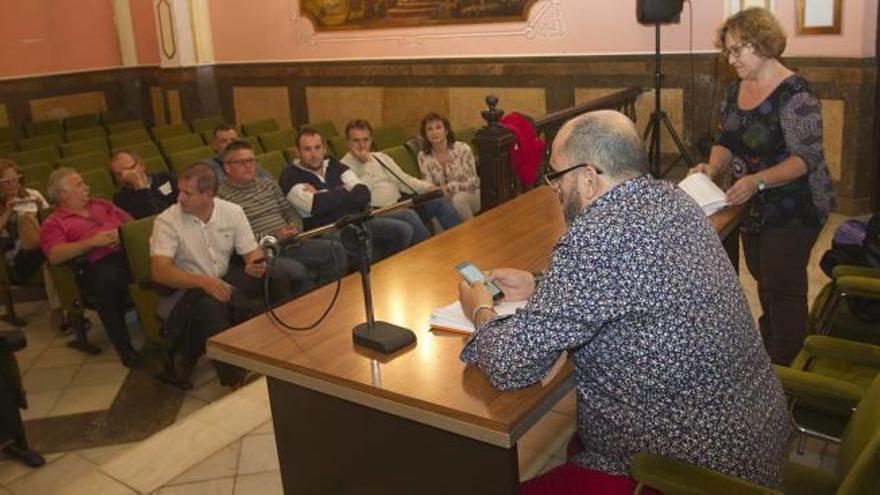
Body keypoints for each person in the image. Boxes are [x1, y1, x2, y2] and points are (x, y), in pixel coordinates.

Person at [459, 111, 789, 492]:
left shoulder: (598, 236)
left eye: (557, 176)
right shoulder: (673, 200)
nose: (555, 189)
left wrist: (481, 308)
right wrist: (538, 284)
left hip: (693, 471)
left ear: (587, 178)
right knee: (576, 440)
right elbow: (631, 283)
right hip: (751, 438)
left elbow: (512, 365)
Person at [692, 7, 835, 365]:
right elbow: (725, 139)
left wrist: (757, 180)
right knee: (763, 277)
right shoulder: (733, 90)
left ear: (763, 44)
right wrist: (711, 168)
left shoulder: (796, 94)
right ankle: (771, 348)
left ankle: (789, 365)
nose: (730, 58)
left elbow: (805, 159)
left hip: (796, 204)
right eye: (727, 50)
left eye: (737, 50)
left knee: (781, 285)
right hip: (751, 201)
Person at [150, 163, 295, 388]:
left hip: (221, 278)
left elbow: (251, 252)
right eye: (180, 191)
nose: (180, 198)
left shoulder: (231, 211)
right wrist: (203, 282)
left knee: (275, 277)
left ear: (208, 195)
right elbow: (159, 271)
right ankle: (234, 377)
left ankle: (282, 347)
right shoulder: (167, 221)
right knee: (212, 303)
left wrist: (255, 264)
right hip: (186, 291)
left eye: (187, 193)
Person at [39, 168, 142, 368]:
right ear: (62, 194)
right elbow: (55, 254)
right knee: (106, 280)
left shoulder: (101, 204)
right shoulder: (54, 222)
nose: (86, 187)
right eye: (79, 184)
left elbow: (132, 223)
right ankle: (124, 346)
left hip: (127, 252)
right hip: (94, 265)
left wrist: (121, 233)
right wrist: (92, 243)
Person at [218, 140, 345, 288]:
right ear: (227, 167)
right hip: (264, 252)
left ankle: (330, 299)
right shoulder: (221, 197)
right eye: (241, 162)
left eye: (251, 160)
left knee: (336, 250)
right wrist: (274, 236)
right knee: (296, 271)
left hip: (291, 241)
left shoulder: (268, 184)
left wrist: (294, 227)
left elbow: (289, 211)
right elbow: (236, 239)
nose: (248, 165)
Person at [279, 128, 414, 261]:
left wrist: (322, 193)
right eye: (307, 149)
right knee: (360, 243)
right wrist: (344, 190)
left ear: (324, 149)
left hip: (356, 220)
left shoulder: (333, 163)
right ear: (297, 152)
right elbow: (316, 205)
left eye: (317, 148)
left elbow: (363, 193)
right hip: (327, 229)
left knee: (403, 230)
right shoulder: (290, 176)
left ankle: (391, 272)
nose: (314, 154)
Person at [340, 119, 461, 236]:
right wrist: (364, 165)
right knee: (408, 215)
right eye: (356, 141)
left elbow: (404, 180)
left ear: (371, 140)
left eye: (365, 140)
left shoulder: (380, 157)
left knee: (437, 199)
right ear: (348, 142)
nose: (361, 145)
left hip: (399, 204)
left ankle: (461, 242)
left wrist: (429, 187)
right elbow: (363, 197)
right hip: (376, 213)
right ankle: (429, 254)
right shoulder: (342, 167)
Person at [417, 112, 480, 220]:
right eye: (429, 129)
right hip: (443, 198)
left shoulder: (463, 149)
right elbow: (428, 185)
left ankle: (472, 234)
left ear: (446, 130)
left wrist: (449, 187)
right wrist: (438, 192)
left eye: (438, 127)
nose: (434, 132)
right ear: (425, 134)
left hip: (471, 193)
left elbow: (472, 182)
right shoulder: (423, 156)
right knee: (437, 206)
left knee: (458, 200)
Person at [0, 160, 49, 282]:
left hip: (40, 243)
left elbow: (51, 220)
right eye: (6, 182)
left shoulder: (33, 194)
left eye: (15, 179)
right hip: (16, 257)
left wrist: (39, 209)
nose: (12, 185)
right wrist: (7, 213)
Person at [109, 151, 177, 219]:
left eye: (129, 169)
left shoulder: (165, 177)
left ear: (141, 165)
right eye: (118, 174)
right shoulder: (121, 199)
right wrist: (139, 186)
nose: (124, 176)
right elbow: (152, 216)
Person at [203, 124, 270, 181]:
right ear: (215, 145)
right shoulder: (206, 169)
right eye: (223, 141)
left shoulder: (249, 161)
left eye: (233, 140)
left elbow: (269, 181)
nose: (230, 144)